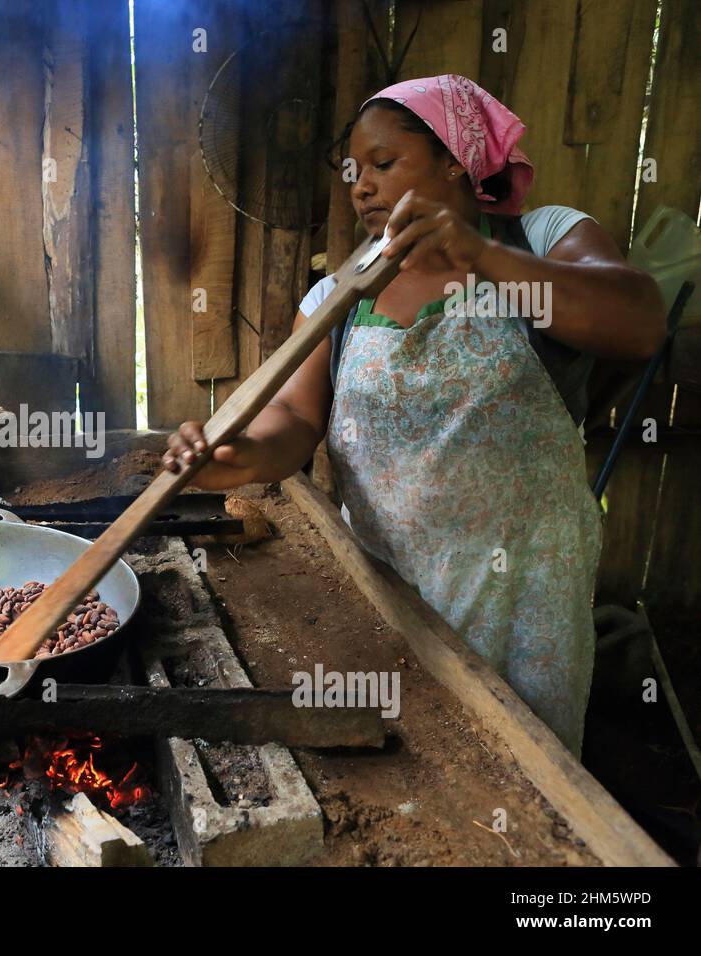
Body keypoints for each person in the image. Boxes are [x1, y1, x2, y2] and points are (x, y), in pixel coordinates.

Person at [163, 74, 666, 756]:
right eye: (354, 172)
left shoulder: (542, 238)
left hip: (525, 594)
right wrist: (238, 456)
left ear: (456, 159)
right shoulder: (337, 299)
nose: (361, 187)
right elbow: (291, 420)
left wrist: (480, 254)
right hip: (390, 587)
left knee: (529, 775)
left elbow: (637, 323)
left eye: (384, 163)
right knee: (418, 766)